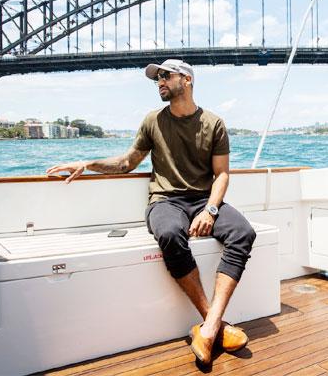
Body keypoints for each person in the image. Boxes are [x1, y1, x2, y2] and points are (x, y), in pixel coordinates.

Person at [45, 59, 256, 365]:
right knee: (170, 234)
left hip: (201, 199)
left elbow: (221, 174)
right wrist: (87, 164)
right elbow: (126, 163)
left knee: (243, 233)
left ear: (186, 80)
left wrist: (210, 210)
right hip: (165, 201)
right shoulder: (152, 121)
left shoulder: (214, 124)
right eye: (156, 77)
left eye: (165, 75)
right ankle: (213, 324)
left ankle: (208, 328)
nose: (159, 81)